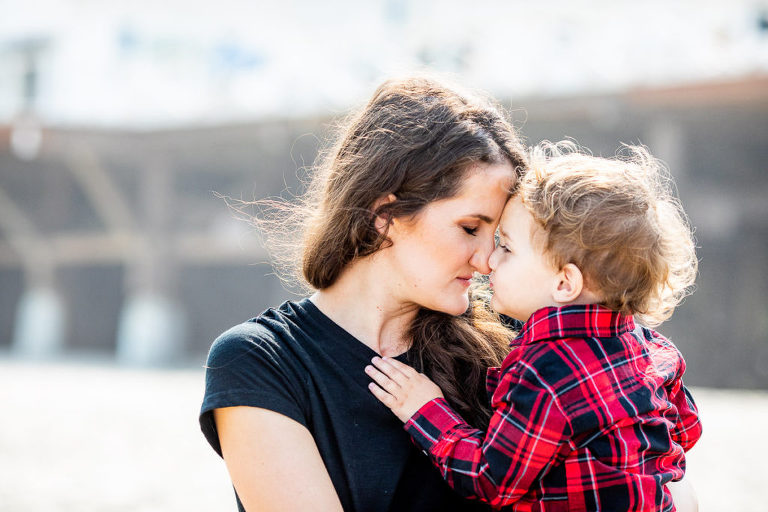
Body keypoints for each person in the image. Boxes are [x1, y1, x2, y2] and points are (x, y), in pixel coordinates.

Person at [199, 76, 530, 511]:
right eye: (470, 228)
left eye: (499, 236)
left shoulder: (521, 348)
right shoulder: (259, 361)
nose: (487, 261)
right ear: (385, 214)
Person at [367, 141, 703, 511]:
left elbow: (491, 480)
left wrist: (426, 410)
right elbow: (687, 430)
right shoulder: (655, 351)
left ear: (565, 282)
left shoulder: (545, 372)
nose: (490, 261)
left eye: (507, 248)